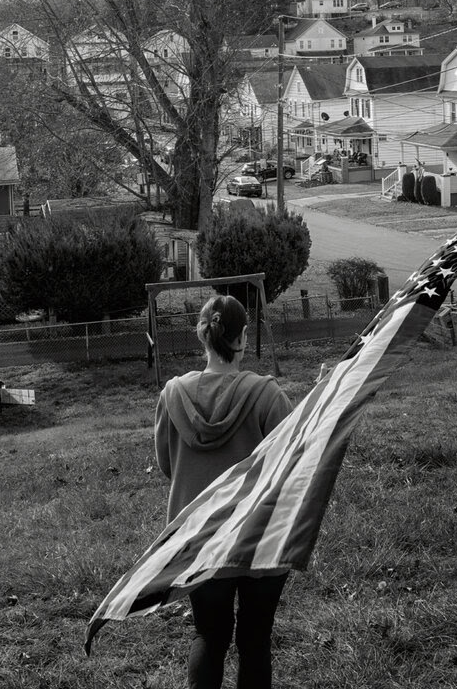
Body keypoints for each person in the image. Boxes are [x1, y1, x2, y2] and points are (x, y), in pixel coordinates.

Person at [154, 294, 293, 689]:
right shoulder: (268, 395)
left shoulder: (172, 395)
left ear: (203, 336)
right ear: (243, 338)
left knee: (209, 635)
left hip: (200, 540)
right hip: (261, 540)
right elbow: (291, 466)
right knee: (255, 641)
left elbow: (168, 465)